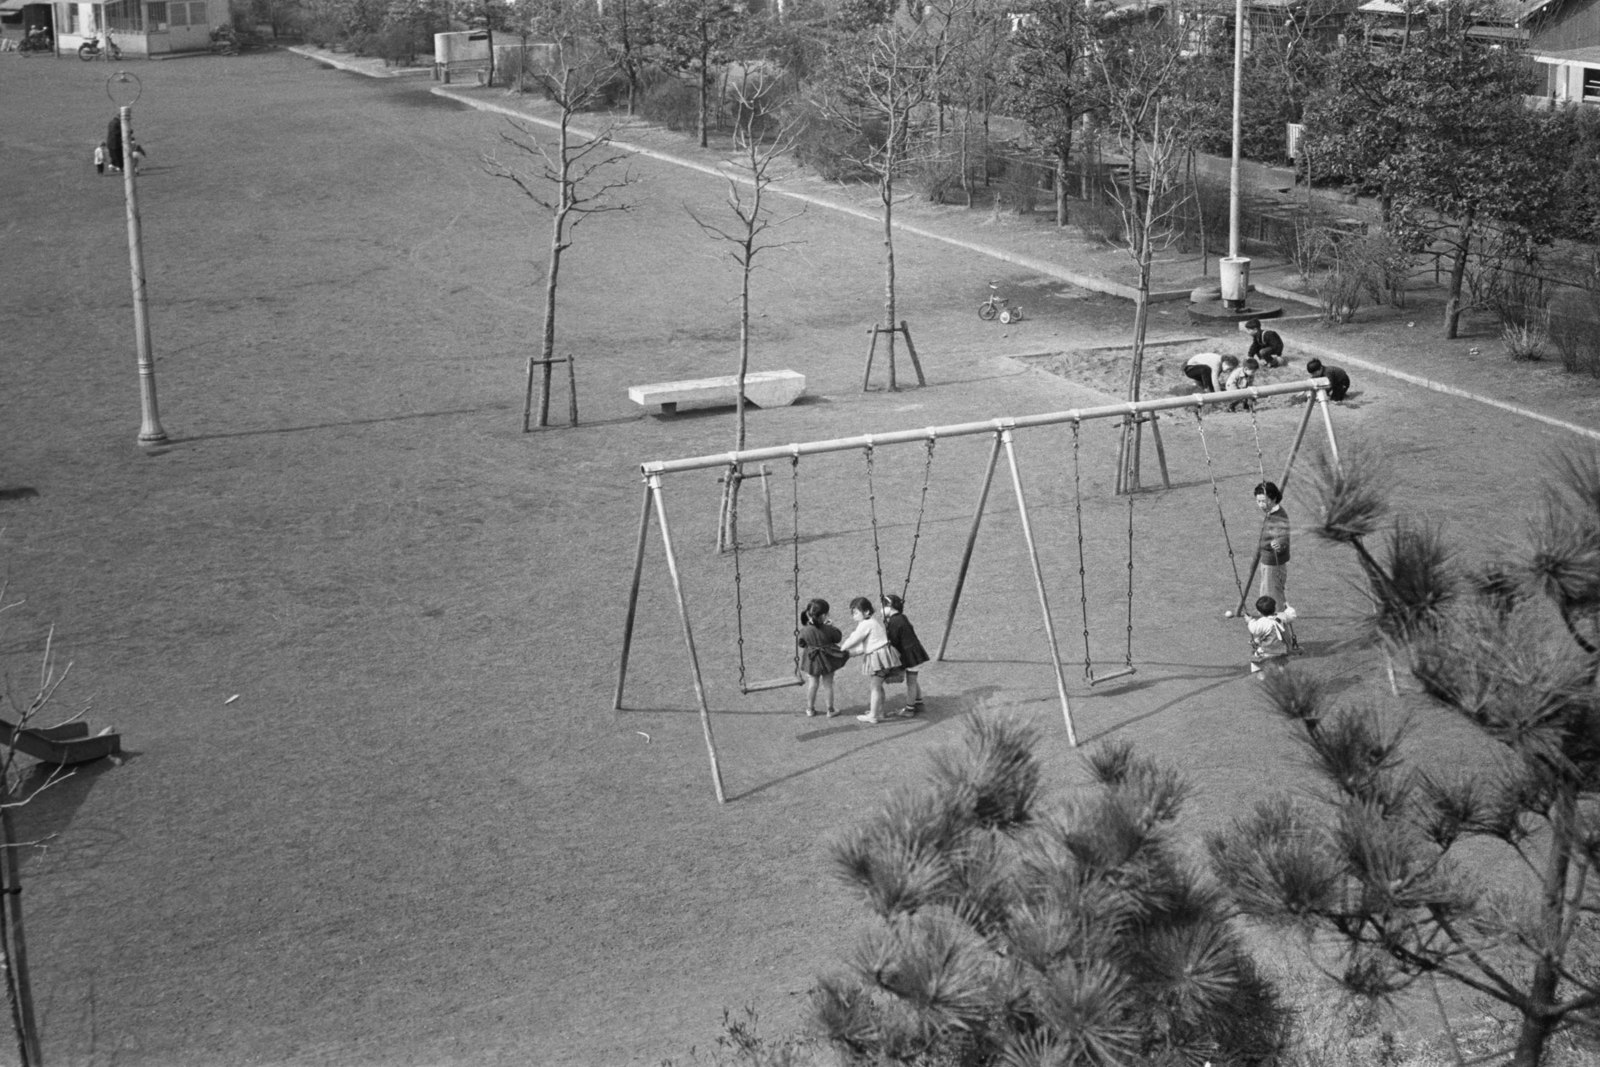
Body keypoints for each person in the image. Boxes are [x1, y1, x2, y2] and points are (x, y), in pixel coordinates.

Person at [838, 596, 902, 724]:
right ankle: (880, 711)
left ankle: (873, 715)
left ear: (866, 612)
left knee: (875, 686)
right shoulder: (872, 622)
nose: (853, 616)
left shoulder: (866, 624)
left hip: (879, 658)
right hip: (883, 655)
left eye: (856, 612)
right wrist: (851, 654)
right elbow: (864, 646)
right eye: (852, 613)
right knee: (878, 685)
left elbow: (855, 638)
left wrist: (842, 648)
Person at [1253, 481, 1296, 649]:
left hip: (1274, 564)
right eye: (1258, 501)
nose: (1261, 505)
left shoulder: (1279, 518)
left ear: (1273, 498)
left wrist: (1279, 544)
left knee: (1274, 604)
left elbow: (1283, 537)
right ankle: (1270, 639)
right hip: (1267, 563)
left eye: (1264, 501)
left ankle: (1282, 643)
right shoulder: (1271, 513)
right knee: (1268, 599)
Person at [880, 594, 929, 717]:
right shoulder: (902, 617)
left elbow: (894, 641)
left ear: (889, 607)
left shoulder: (894, 621)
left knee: (911, 682)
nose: (881, 609)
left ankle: (909, 710)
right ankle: (919, 702)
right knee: (913, 679)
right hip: (915, 653)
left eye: (883, 606)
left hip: (910, 655)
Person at [797, 598, 847, 718]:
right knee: (828, 684)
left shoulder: (805, 630)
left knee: (813, 684)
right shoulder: (828, 629)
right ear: (824, 615)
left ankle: (810, 709)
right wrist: (832, 626)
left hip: (812, 660)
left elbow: (801, 643)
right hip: (827, 660)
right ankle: (830, 709)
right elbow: (837, 637)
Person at [1246, 595, 1298, 675]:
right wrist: (1288, 607)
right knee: (1281, 662)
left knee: (1256, 660)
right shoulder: (1282, 616)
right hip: (1283, 649)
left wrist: (1250, 621)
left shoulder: (1262, 622)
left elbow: (1254, 629)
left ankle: (1261, 676)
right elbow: (1292, 616)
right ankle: (1282, 674)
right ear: (1275, 608)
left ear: (1259, 612)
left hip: (1268, 650)